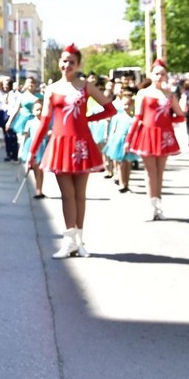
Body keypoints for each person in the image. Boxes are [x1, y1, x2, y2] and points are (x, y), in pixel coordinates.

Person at [27, 44, 115, 258]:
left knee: (80, 195)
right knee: (67, 195)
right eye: (64, 61)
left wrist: (88, 118)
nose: (67, 65)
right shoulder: (51, 89)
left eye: (72, 62)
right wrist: (32, 151)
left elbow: (110, 109)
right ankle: (68, 241)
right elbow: (44, 121)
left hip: (82, 144)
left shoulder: (86, 86)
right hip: (60, 145)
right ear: (59, 62)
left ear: (78, 64)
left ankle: (79, 241)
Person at [127, 59, 185, 220]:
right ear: (151, 74)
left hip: (164, 136)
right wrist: (129, 138)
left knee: (160, 172)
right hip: (147, 135)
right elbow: (138, 117)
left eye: (162, 74)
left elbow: (180, 116)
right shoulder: (143, 93)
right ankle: (151, 206)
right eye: (157, 73)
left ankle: (158, 205)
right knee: (151, 172)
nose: (159, 76)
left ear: (166, 76)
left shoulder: (169, 95)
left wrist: (167, 121)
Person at [103, 90, 137, 194]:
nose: (127, 107)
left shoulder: (134, 118)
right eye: (125, 104)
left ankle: (127, 183)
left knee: (128, 163)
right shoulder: (118, 117)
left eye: (129, 104)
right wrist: (110, 140)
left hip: (129, 141)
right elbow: (113, 129)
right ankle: (122, 183)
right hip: (118, 141)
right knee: (120, 163)